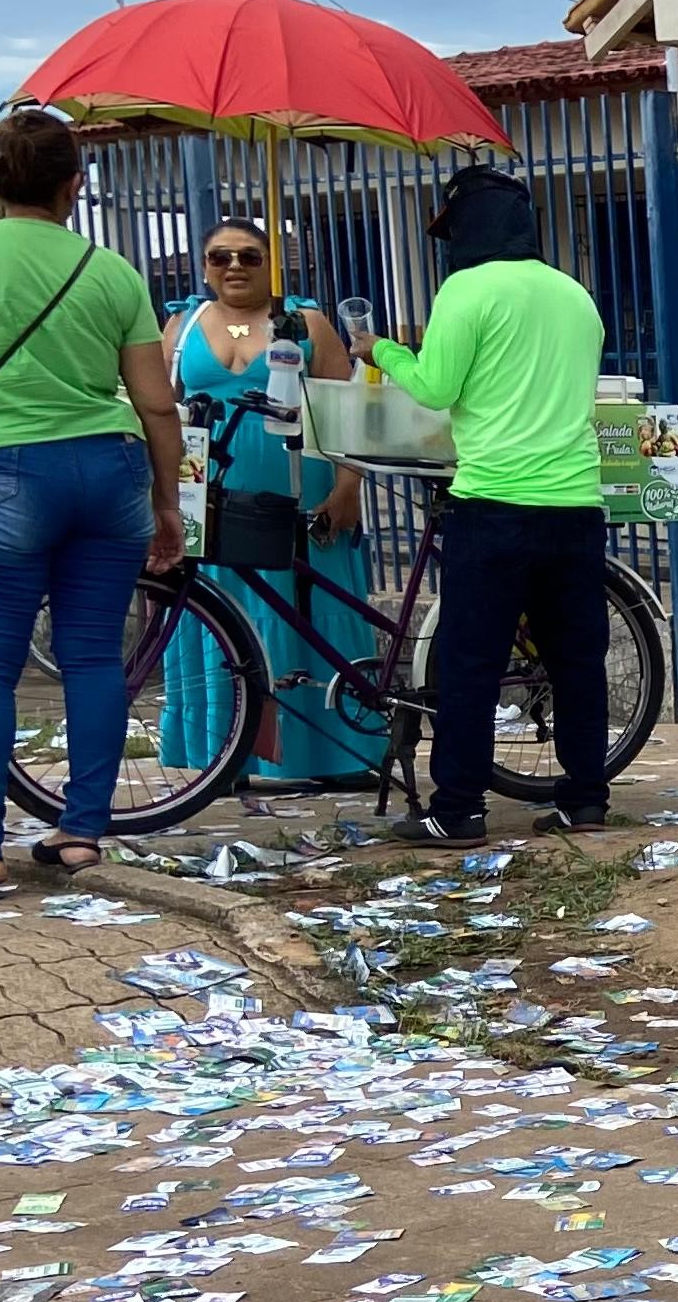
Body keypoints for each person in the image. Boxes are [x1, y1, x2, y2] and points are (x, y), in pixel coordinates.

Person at [0, 108, 186, 902]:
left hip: (8, 469)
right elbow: (157, 403)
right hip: (112, 465)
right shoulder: (112, 270)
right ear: (74, 187)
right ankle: (83, 830)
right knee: (92, 657)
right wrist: (166, 501)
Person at [361, 164, 611, 845]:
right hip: (576, 505)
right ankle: (585, 799)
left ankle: (459, 809)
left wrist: (381, 349)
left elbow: (436, 387)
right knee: (576, 660)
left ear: (466, 228)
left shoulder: (465, 290)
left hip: (495, 503)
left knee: (471, 660)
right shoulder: (574, 294)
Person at [160, 219, 374, 786]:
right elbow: (161, 409)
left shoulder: (304, 322)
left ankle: (333, 757)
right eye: (220, 256)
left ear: (270, 264)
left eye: (250, 257)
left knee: (305, 612)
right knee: (220, 616)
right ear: (203, 264)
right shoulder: (183, 325)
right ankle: (225, 757)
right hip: (209, 497)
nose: (233, 266)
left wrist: (348, 487)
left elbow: (351, 410)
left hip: (302, 498)